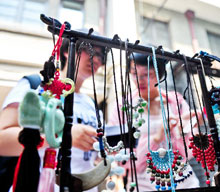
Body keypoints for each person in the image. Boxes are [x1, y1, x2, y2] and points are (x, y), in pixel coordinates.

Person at [0, 37, 105, 192]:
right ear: (66, 51)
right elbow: (2, 141)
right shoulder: (35, 86)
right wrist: (62, 136)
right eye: (88, 50)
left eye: (101, 56)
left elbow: (91, 158)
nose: (96, 58)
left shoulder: (91, 104)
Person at [108, 52, 201, 191]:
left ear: (160, 75)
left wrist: (184, 132)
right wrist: (157, 138)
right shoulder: (122, 107)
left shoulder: (176, 101)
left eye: (148, 74)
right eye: (134, 73)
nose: (140, 80)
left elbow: (190, 153)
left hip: (185, 181)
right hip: (144, 185)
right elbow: (120, 156)